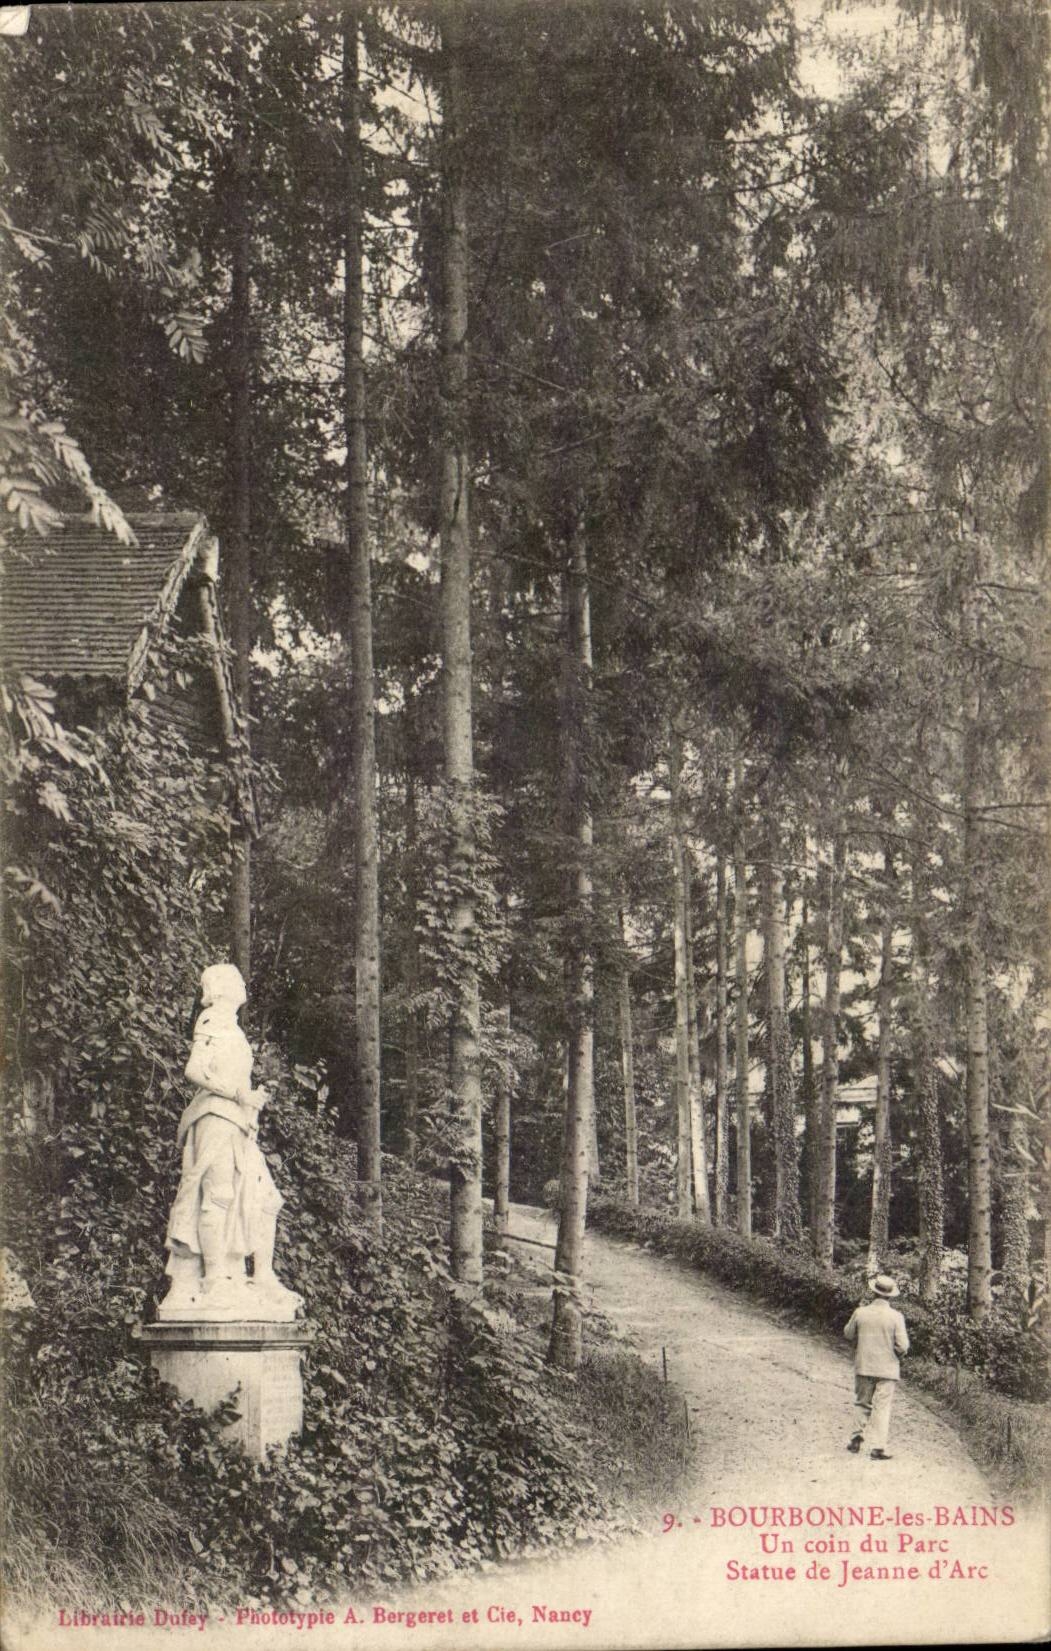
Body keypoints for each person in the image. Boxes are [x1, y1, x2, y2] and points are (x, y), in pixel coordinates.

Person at [161, 963, 301, 1319]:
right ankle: (215, 1280)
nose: (242, 984)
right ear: (221, 988)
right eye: (236, 979)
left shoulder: (231, 1026)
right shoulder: (212, 1020)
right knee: (218, 1195)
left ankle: (263, 1276)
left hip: (237, 1122)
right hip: (215, 1118)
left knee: (267, 1200)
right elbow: (194, 1070)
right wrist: (239, 1093)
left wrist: (249, 1098)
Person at [844, 1274, 909, 1460]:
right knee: (882, 1407)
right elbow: (903, 1346)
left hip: (864, 1365)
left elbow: (848, 1334)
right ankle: (878, 1448)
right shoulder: (896, 1317)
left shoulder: (860, 1312)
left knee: (862, 1402)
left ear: (874, 1292)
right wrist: (895, 1353)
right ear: (890, 1296)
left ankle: (855, 1439)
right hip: (887, 1369)